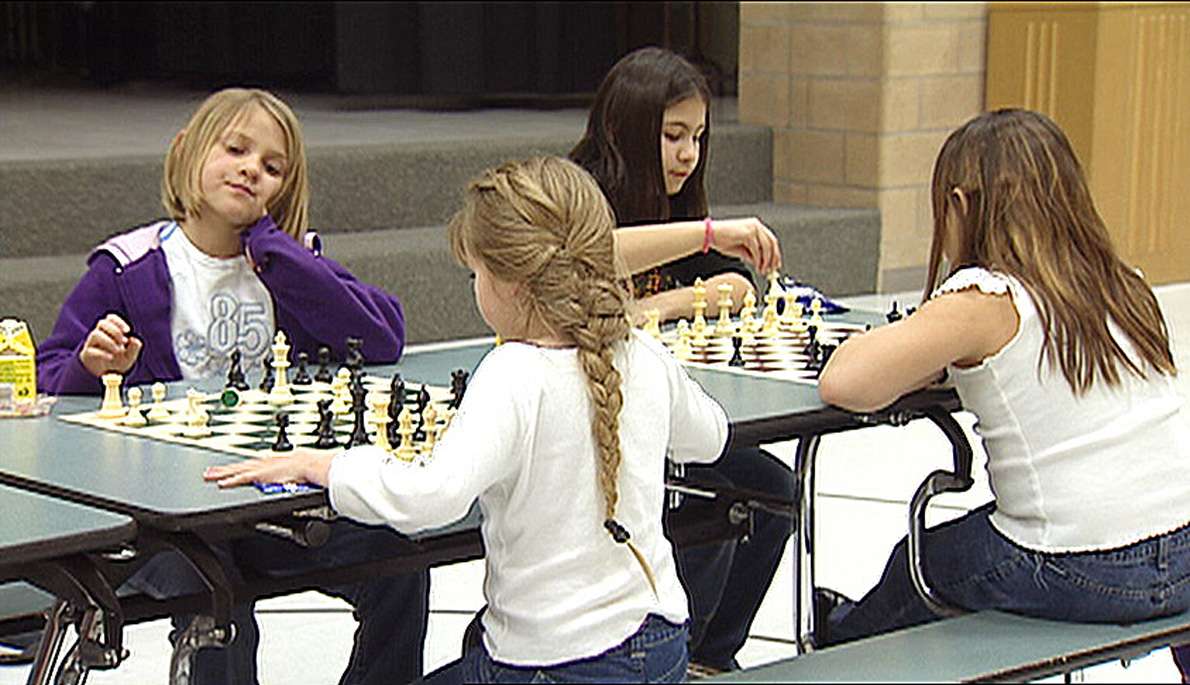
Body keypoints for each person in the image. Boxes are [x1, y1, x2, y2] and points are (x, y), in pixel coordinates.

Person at [203, 156, 731, 683]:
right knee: (477, 642)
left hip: (552, 666)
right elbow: (710, 439)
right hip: (661, 649)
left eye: (476, 273)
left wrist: (330, 466)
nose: (474, 285)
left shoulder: (514, 372)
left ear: (513, 283)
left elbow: (431, 498)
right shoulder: (638, 353)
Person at [35, 87, 427, 684]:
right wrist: (91, 367)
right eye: (236, 149)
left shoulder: (291, 262)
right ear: (187, 153)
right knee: (222, 599)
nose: (252, 170)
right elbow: (47, 380)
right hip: (164, 518)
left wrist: (275, 249)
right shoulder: (128, 265)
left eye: (273, 168)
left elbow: (383, 334)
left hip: (266, 504)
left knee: (400, 561)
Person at [816, 108, 1190, 652]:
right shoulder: (1123, 285)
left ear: (962, 205)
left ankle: (839, 651)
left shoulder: (987, 297)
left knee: (918, 562)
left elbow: (844, 382)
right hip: (1182, 552)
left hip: (1078, 564)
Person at [570, 45, 795, 674]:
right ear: (625, 127)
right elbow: (586, 255)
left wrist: (664, 303)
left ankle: (710, 656)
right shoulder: (575, 190)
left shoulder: (669, 195)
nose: (688, 154)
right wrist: (703, 236)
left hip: (660, 412)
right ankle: (678, 655)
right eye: (673, 136)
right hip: (586, 418)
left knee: (776, 492)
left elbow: (739, 284)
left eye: (696, 137)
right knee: (721, 507)